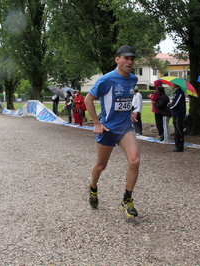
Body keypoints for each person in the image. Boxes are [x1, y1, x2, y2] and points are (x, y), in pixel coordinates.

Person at [84, 45, 140, 217]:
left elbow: (124, 99)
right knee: (101, 165)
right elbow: (88, 99)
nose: (129, 62)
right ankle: (93, 188)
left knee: (135, 161)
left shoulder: (133, 79)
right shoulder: (106, 80)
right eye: (126, 58)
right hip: (107, 129)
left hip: (125, 129)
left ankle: (127, 199)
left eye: (132, 59)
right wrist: (96, 122)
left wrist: (129, 112)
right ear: (118, 59)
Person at [168, 82, 185, 152]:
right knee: (176, 130)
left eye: (172, 84)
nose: (171, 85)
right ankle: (177, 145)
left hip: (179, 114)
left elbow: (176, 104)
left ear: (175, 85)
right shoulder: (176, 92)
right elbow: (174, 102)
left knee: (179, 130)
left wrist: (169, 106)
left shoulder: (180, 93)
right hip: (175, 114)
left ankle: (179, 146)